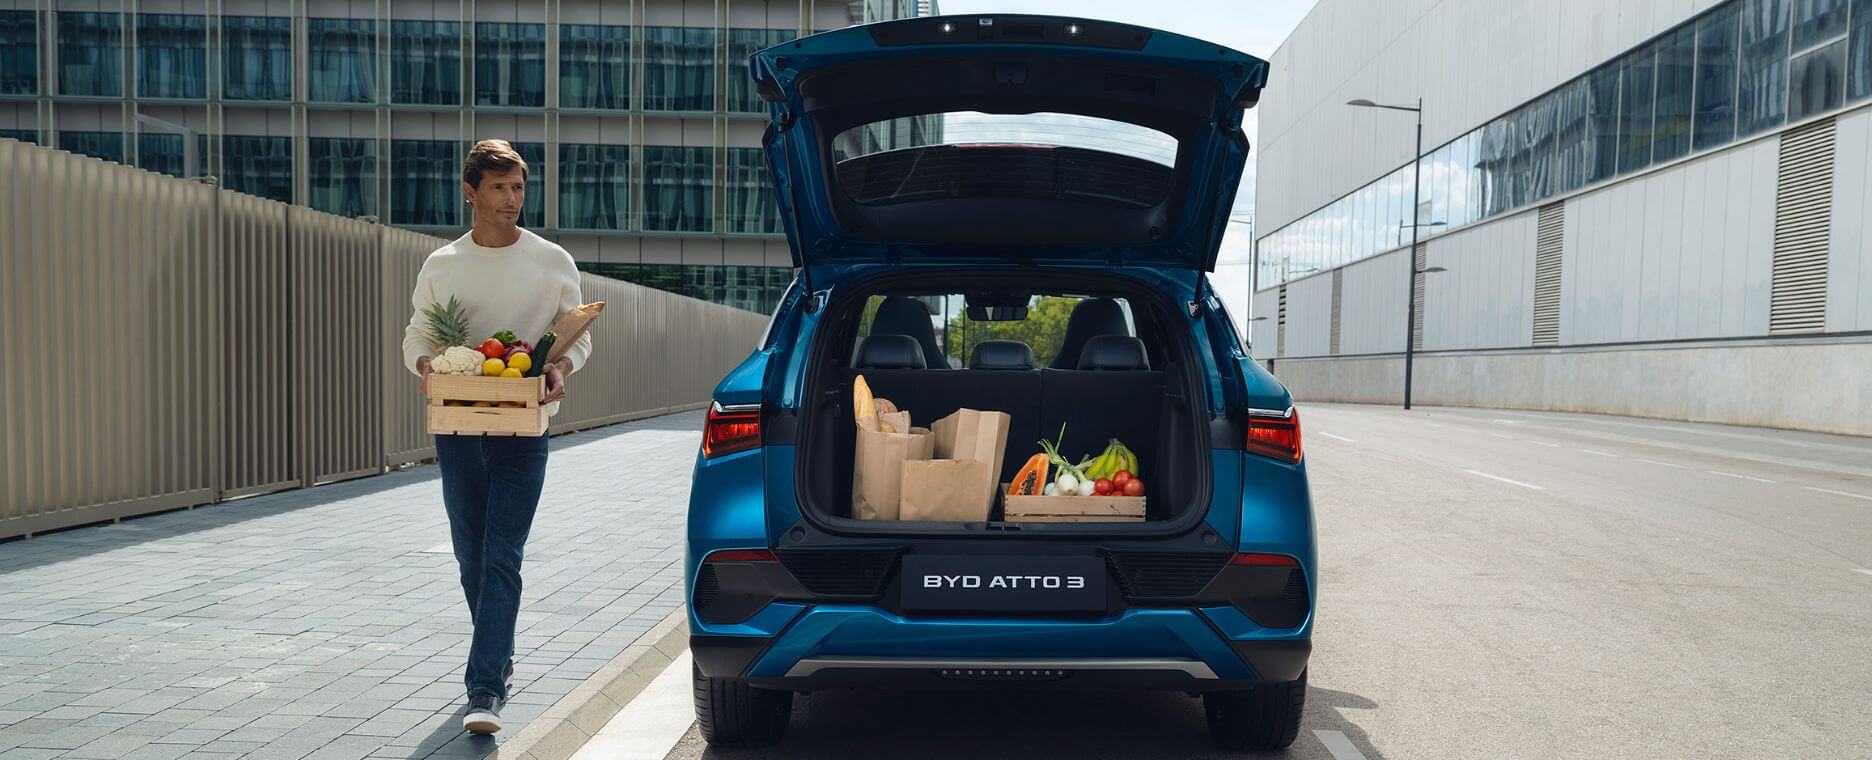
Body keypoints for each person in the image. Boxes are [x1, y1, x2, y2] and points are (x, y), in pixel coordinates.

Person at [399, 139, 593, 734]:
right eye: (499, 188)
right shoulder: (443, 265)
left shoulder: (551, 260)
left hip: (523, 428)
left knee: (503, 554)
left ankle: (485, 688)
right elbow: (417, 334)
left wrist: (562, 367)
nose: (512, 199)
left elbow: (578, 335)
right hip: (459, 427)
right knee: (471, 557)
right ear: (471, 193)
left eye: (518, 187)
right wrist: (425, 366)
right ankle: (499, 650)